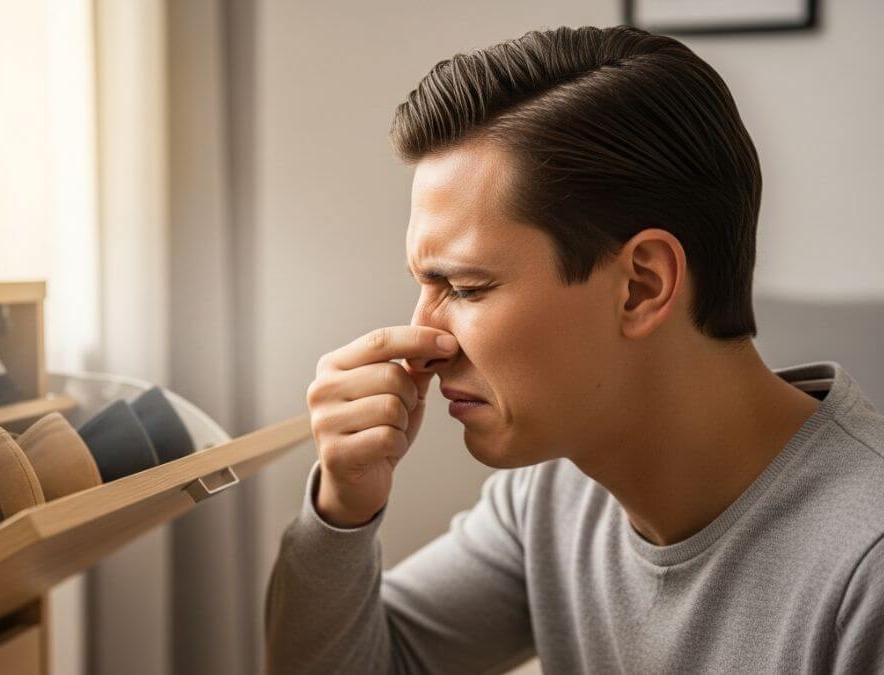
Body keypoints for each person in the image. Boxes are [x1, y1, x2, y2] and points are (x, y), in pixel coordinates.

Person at [265, 24, 884, 674]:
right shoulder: (552, 497)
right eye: (426, 285)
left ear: (642, 285)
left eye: (467, 287)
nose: (424, 344)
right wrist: (342, 508)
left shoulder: (866, 567)